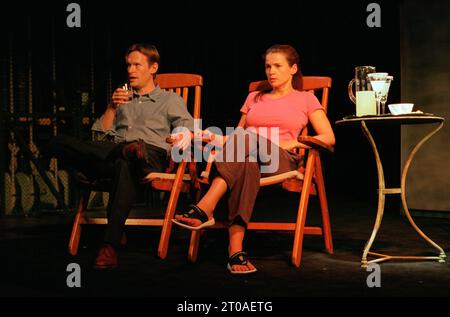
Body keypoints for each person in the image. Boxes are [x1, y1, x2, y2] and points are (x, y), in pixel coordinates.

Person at [172, 44, 335, 274]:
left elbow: (328, 138)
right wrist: (204, 136)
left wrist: (295, 142)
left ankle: (206, 206)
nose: (271, 71)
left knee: (247, 137)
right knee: (246, 162)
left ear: (293, 68)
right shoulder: (254, 98)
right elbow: (236, 138)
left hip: (282, 161)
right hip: (250, 158)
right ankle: (235, 251)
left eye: (278, 66)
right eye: (268, 66)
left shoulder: (306, 99)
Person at [49, 43, 194, 269]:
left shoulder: (169, 100)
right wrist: (111, 108)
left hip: (150, 156)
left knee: (129, 157)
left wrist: (180, 137)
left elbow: (187, 127)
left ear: (153, 68)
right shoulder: (122, 98)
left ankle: (109, 245)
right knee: (60, 142)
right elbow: (98, 136)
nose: (131, 70)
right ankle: (110, 245)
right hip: (115, 154)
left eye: (137, 65)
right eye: (128, 65)